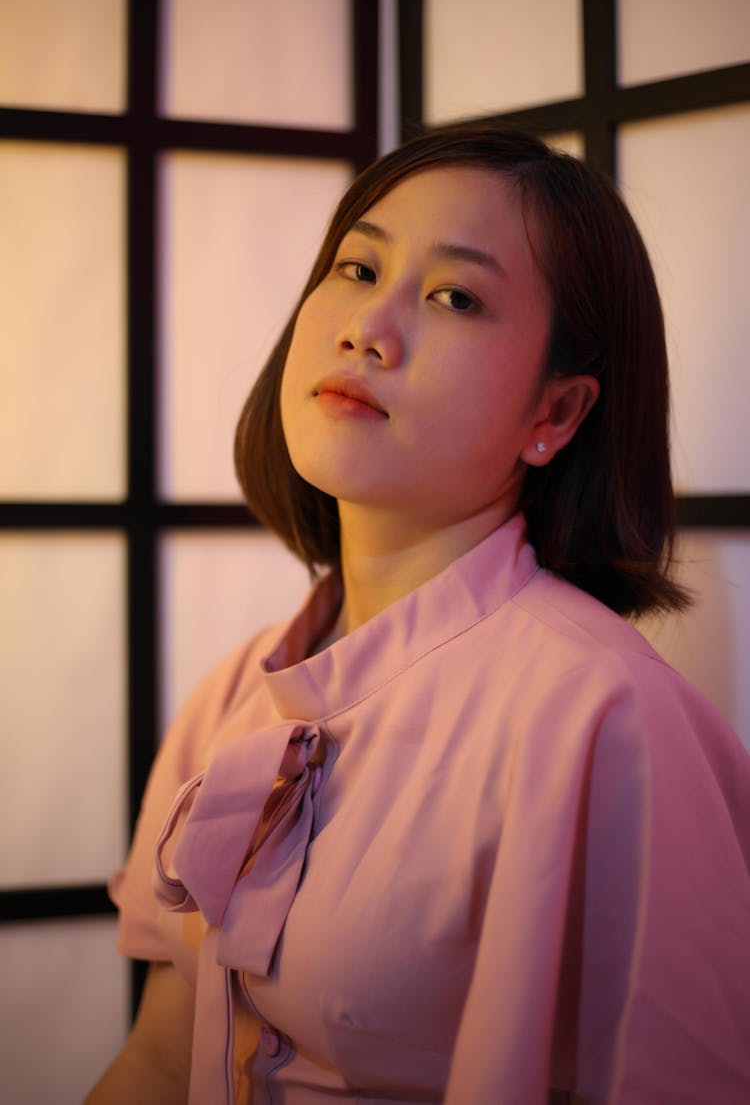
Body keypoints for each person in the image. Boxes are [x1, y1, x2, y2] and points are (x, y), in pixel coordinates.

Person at [86, 123, 750, 1105]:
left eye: (454, 296)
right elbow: (154, 1061)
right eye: (356, 267)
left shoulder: (610, 719)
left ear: (556, 415)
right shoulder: (239, 691)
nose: (368, 327)